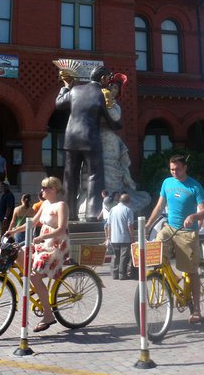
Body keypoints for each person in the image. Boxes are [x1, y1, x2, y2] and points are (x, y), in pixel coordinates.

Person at [145, 154, 204, 324]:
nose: (174, 172)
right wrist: (148, 225)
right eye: (172, 169)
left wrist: (194, 216)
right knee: (155, 250)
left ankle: (196, 309)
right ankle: (174, 276)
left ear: (185, 168)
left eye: (178, 169)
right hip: (170, 227)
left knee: (191, 270)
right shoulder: (167, 183)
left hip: (187, 232)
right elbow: (159, 207)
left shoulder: (195, 186)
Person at [55, 65, 121, 221]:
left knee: (70, 176)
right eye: (108, 78)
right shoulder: (101, 94)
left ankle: (69, 214)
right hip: (90, 139)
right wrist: (117, 124)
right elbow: (110, 119)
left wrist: (65, 87)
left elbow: (58, 104)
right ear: (102, 78)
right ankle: (92, 213)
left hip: (71, 139)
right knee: (94, 176)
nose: (109, 81)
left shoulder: (75, 90)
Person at [6, 176, 70, 333]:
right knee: (19, 252)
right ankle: (36, 284)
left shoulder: (61, 205)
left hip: (56, 245)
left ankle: (48, 315)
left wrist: (42, 237)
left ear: (53, 189)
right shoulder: (45, 204)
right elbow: (32, 222)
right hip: (43, 243)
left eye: (45, 188)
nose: (41, 191)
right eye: (42, 187)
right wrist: (13, 230)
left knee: (34, 276)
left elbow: (62, 229)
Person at [99, 74, 151, 214]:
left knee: (112, 165)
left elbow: (115, 117)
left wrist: (108, 103)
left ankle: (114, 197)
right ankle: (102, 199)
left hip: (110, 139)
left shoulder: (115, 105)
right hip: (96, 138)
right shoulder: (97, 100)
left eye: (115, 88)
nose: (112, 89)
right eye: (111, 86)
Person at [105, 192, 134, 280]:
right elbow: (130, 226)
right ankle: (122, 275)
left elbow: (108, 224)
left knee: (116, 256)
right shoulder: (128, 210)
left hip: (114, 238)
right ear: (128, 201)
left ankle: (115, 274)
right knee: (124, 257)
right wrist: (133, 238)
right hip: (125, 238)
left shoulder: (112, 209)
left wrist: (109, 237)